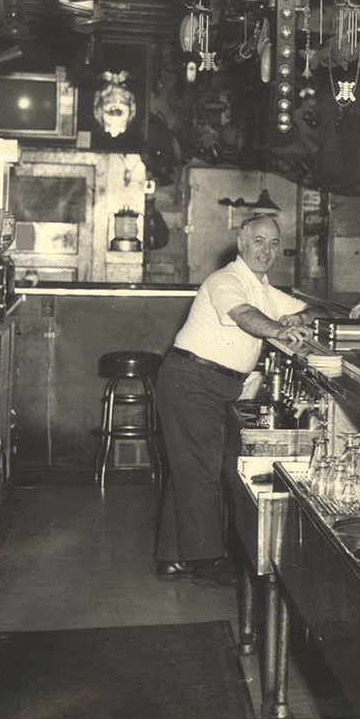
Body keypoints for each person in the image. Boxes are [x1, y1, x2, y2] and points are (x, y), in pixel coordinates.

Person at [156, 215, 307, 585]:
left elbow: (304, 309)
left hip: (217, 384)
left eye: (273, 244)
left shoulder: (261, 286)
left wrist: (294, 316)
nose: (266, 250)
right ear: (241, 241)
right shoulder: (226, 280)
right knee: (202, 471)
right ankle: (207, 560)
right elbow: (244, 316)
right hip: (193, 380)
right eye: (258, 241)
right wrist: (280, 329)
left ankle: (174, 558)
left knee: (192, 469)